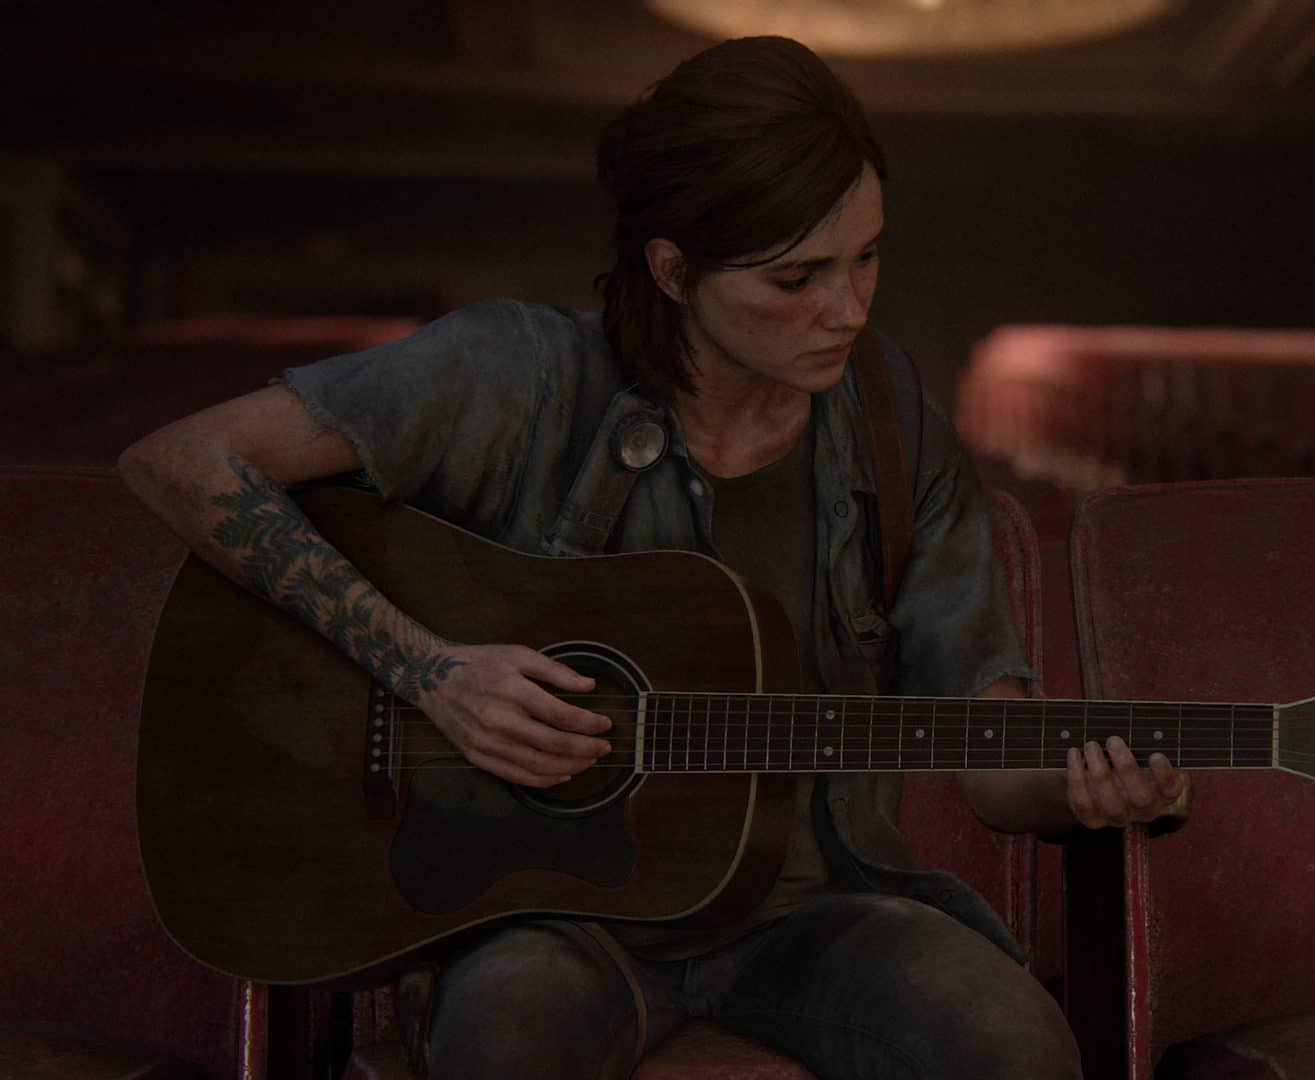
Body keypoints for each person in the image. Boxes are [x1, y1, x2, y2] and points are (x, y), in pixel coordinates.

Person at [120, 35, 1188, 1080]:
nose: (849, 309)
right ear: (674, 270)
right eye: (796, 279)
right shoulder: (516, 372)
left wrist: (1087, 788)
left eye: (866, 257)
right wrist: (429, 672)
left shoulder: (894, 423)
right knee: (506, 1043)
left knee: (1017, 1043)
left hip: (817, 915)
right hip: (550, 916)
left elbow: (994, 759)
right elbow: (181, 462)